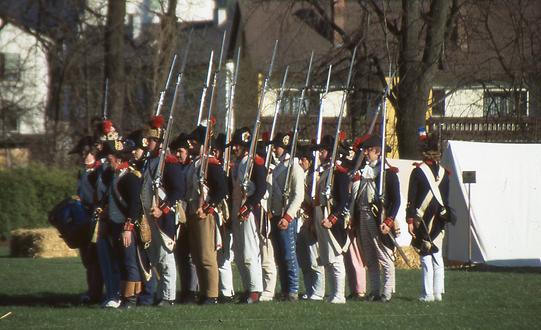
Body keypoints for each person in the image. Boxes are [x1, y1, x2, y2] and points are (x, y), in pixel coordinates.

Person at [354, 134, 400, 303]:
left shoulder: (388, 174)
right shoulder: (366, 171)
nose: (366, 153)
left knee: (384, 257)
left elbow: (396, 201)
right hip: (363, 215)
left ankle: (386, 293)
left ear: (378, 152)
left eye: (369, 150)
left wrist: (389, 221)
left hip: (377, 217)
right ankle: (374, 291)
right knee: (370, 256)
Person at [185, 123, 228, 304]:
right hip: (193, 210)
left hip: (205, 214)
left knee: (206, 255)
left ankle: (211, 294)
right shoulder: (196, 164)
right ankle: (203, 292)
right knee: (197, 255)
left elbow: (221, 189)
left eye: (194, 142)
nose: (191, 145)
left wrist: (208, 207)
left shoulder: (210, 163)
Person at [101, 139, 146, 308]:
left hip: (126, 227)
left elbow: (134, 206)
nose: (108, 161)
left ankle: (131, 299)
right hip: (115, 225)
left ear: (119, 159)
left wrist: (128, 229)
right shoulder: (116, 176)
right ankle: (123, 296)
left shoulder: (130, 178)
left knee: (130, 262)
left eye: (110, 158)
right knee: (121, 261)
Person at [406, 131, 450, 302]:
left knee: (426, 255)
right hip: (439, 219)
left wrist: (410, 220)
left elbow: (412, 199)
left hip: (423, 218)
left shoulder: (418, 172)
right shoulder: (445, 173)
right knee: (437, 255)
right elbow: (445, 199)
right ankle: (438, 292)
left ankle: (427, 294)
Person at [228, 127, 267, 304]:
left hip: (249, 212)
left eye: (238, 145)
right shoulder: (238, 164)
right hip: (237, 209)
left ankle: (255, 289)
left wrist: (249, 206)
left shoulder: (254, 163)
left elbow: (261, 189)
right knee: (239, 251)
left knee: (250, 251)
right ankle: (247, 288)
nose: (235, 148)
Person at [267, 132, 305, 301]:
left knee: (289, 254)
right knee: (280, 255)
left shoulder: (294, 167)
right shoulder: (279, 166)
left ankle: (293, 290)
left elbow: (299, 195)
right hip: (276, 214)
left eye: (278, 146)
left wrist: (288, 216)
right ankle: (285, 289)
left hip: (286, 216)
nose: (275, 149)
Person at [313, 135, 349, 304]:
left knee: (336, 257)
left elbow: (343, 201)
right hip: (323, 216)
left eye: (323, 150)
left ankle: (340, 294)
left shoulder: (339, 173)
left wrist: (333, 218)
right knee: (327, 258)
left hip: (334, 218)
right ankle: (333, 293)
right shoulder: (326, 171)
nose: (320, 153)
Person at [69, 136, 103, 304]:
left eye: (85, 153)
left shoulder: (99, 171)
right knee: (87, 259)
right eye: (81, 153)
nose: (82, 156)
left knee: (95, 258)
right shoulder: (83, 172)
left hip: (95, 216)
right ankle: (92, 291)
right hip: (83, 216)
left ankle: (96, 293)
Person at [170, 132, 200, 304]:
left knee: (191, 256)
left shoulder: (193, 167)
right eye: (176, 151)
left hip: (189, 213)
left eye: (180, 151)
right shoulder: (177, 167)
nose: (178, 154)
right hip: (177, 216)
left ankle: (192, 290)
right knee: (180, 255)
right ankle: (186, 289)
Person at [296, 144, 325, 301]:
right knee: (304, 260)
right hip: (301, 220)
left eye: (304, 159)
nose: (302, 162)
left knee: (314, 259)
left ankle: (319, 291)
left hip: (311, 220)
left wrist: (313, 220)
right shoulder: (301, 175)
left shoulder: (315, 178)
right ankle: (309, 289)